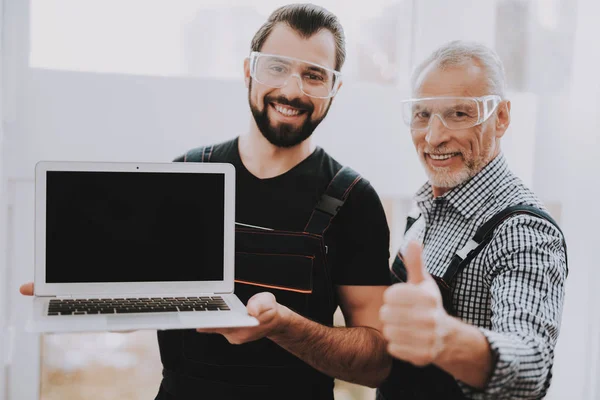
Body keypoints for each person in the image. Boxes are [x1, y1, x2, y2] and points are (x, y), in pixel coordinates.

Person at [21, 4, 392, 399]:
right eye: (276, 67)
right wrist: (91, 291)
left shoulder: (354, 201)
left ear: (334, 88)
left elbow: (378, 365)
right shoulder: (187, 175)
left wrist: (285, 327)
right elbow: (147, 301)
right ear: (248, 70)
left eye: (313, 75)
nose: (291, 90)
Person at [377, 40, 568, 400]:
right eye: (422, 115)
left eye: (459, 114)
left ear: (501, 118)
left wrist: (444, 338)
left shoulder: (523, 230)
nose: (433, 137)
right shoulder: (427, 207)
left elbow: (530, 364)